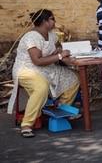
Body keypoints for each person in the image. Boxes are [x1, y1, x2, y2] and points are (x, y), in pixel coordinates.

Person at [9, 9, 79, 138]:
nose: (55, 21)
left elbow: (55, 51)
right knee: (41, 87)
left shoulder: (52, 35)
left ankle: (61, 109)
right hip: (27, 69)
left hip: (47, 68)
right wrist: (59, 55)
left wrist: (60, 53)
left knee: (73, 78)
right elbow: (37, 61)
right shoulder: (31, 37)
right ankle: (27, 124)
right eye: (52, 19)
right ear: (44, 22)